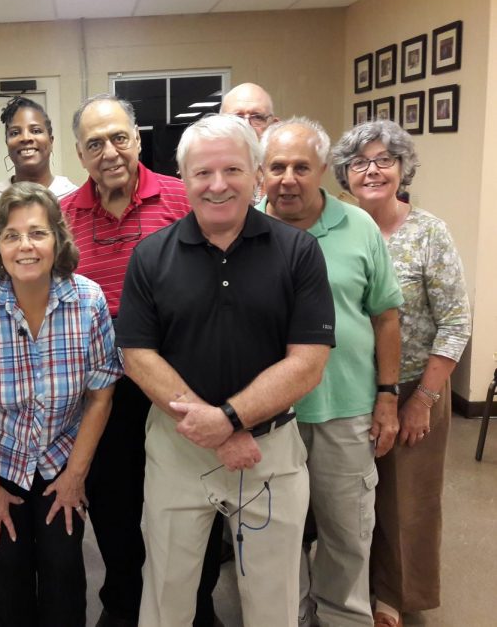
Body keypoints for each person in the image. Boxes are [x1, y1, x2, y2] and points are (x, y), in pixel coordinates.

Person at [116, 114, 335, 626]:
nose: (217, 186)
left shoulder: (298, 253)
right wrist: (216, 430)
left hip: (270, 453)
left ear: (256, 175)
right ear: (183, 180)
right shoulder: (151, 256)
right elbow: (137, 356)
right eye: (202, 173)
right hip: (177, 449)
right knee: (166, 592)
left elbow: (308, 363)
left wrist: (230, 418)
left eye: (233, 170)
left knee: (273, 599)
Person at [0, 182, 122, 626]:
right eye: (11, 235)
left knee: (64, 564)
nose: (25, 246)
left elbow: (101, 396)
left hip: (62, 455)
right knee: (7, 565)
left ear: (57, 240)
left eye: (38, 233)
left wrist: (75, 478)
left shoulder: (88, 300)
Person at [258, 117, 404, 626]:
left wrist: (387, 395)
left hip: (345, 408)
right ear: (260, 173)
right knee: (276, 532)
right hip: (270, 413)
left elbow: (386, 315)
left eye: (302, 166)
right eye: (276, 167)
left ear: (323, 169)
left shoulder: (358, 226)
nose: (288, 179)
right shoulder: (244, 227)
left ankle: (343, 616)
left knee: (347, 532)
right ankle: (290, 618)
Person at [331, 120, 471, 627]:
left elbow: (456, 321)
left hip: (415, 385)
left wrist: (423, 398)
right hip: (348, 387)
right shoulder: (333, 226)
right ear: (344, 174)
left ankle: (394, 598)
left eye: (384, 160)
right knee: (348, 500)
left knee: (405, 500)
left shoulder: (427, 232)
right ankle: (351, 590)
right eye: (360, 162)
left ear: (402, 168)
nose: (372, 171)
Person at [60, 93, 191, 627]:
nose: (109, 152)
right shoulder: (64, 215)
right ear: (80, 154)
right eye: (95, 143)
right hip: (101, 389)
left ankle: (192, 605)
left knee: (181, 504)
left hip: (173, 378)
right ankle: (122, 602)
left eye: (119, 138)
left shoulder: (183, 199)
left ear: (137, 139)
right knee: (113, 504)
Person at [0, 96, 77, 204]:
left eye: (36, 131)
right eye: (15, 133)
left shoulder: (74, 199)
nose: (26, 138)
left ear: (51, 141)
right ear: (7, 143)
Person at [220, 82, 279, 204]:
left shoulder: (285, 178)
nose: (246, 125)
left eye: (257, 117)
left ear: (274, 125)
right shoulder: (203, 176)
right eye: (236, 118)